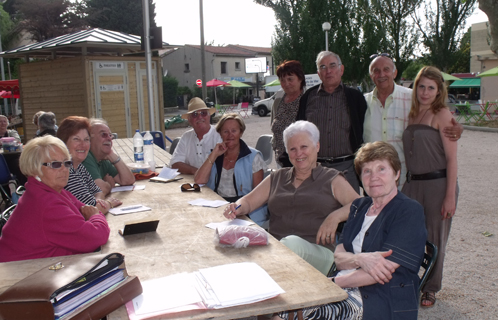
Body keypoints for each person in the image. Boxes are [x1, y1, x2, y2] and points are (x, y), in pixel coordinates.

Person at [275, 141, 427, 320]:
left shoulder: (408, 211)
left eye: (381, 169)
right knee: (283, 305)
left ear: (397, 174)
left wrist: (333, 283)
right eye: (367, 171)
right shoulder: (359, 206)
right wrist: (359, 259)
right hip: (346, 285)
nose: (374, 177)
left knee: (295, 311)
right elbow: (339, 257)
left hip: (379, 298)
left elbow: (383, 271)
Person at [223, 121, 359, 275]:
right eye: (292, 149)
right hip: (278, 251)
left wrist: (335, 217)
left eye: (304, 147)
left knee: (290, 244)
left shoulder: (332, 179)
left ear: (317, 147)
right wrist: (236, 207)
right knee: (235, 240)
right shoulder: (278, 177)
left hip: (318, 254)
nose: (298, 154)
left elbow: (360, 205)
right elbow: (247, 201)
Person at [0, 135, 110, 262]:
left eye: (67, 163)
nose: (64, 169)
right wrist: (95, 215)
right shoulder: (46, 203)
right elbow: (96, 237)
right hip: (17, 276)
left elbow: (87, 212)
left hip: (40, 268)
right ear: (35, 169)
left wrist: (92, 216)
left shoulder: (53, 191)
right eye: (55, 164)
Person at [401, 66, 458, 308]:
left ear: (438, 91)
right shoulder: (412, 114)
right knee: (408, 236)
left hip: (438, 185)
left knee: (435, 239)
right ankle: (410, 281)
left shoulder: (443, 114)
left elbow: (452, 158)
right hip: (413, 184)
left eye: (431, 88)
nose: (425, 92)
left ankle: (431, 289)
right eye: (421, 86)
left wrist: (449, 196)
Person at [364, 54, 463, 187]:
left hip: (404, 181)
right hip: (374, 180)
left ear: (395, 73)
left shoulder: (412, 98)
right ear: (371, 75)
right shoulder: (362, 102)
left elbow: (437, 113)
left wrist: (457, 128)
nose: (381, 74)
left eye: (386, 69)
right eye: (376, 70)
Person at [295, 51, 367, 192]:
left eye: (332, 65)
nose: (328, 71)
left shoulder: (355, 97)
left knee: (350, 211)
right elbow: (299, 132)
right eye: (323, 67)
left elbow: (363, 130)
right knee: (317, 212)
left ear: (341, 69)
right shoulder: (308, 98)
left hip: (348, 168)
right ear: (318, 73)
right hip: (316, 169)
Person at [195, 113, 268, 227]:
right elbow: (199, 181)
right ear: (220, 134)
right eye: (225, 131)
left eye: (234, 131)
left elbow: (259, 196)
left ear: (241, 132)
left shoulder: (253, 157)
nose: (230, 135)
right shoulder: (214, 155)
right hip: (219, 207)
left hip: (245, 210)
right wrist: (213, 155)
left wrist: (240, 209)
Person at [57, 116, 122, 214]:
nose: (83, 144)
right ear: (64, 143)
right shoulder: (65, 171)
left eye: (86, 139)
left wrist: (97, 201)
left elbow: (98, 191)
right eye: (76, 139)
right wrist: (109, 203)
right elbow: (92, 211)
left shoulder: (78, 166)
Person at [82, 118, 135, 195]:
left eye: (110, 135)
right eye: (103, 134)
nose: (109, 138)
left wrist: (112, 155)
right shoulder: (86, 157)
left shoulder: (103, 159)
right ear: (89, 138)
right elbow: (100, 189)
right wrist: (109, 184)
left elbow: (128, 180)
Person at [169, 97, 222, 174]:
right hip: (192, 182)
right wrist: (198, 173)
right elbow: (175, 163)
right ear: (189, 120)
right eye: (195, 114)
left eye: (203, 113)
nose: (200, 117)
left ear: (209, 116)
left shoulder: (220, 135)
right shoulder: (186, 137)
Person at [270, 60, 306, 167]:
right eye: (282, 80)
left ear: (300, 78)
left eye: (290, 79)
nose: (286, 84)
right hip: (280, 159)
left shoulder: (308, 100)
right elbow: (273, 125)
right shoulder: (278, 100)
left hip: (301, 160)